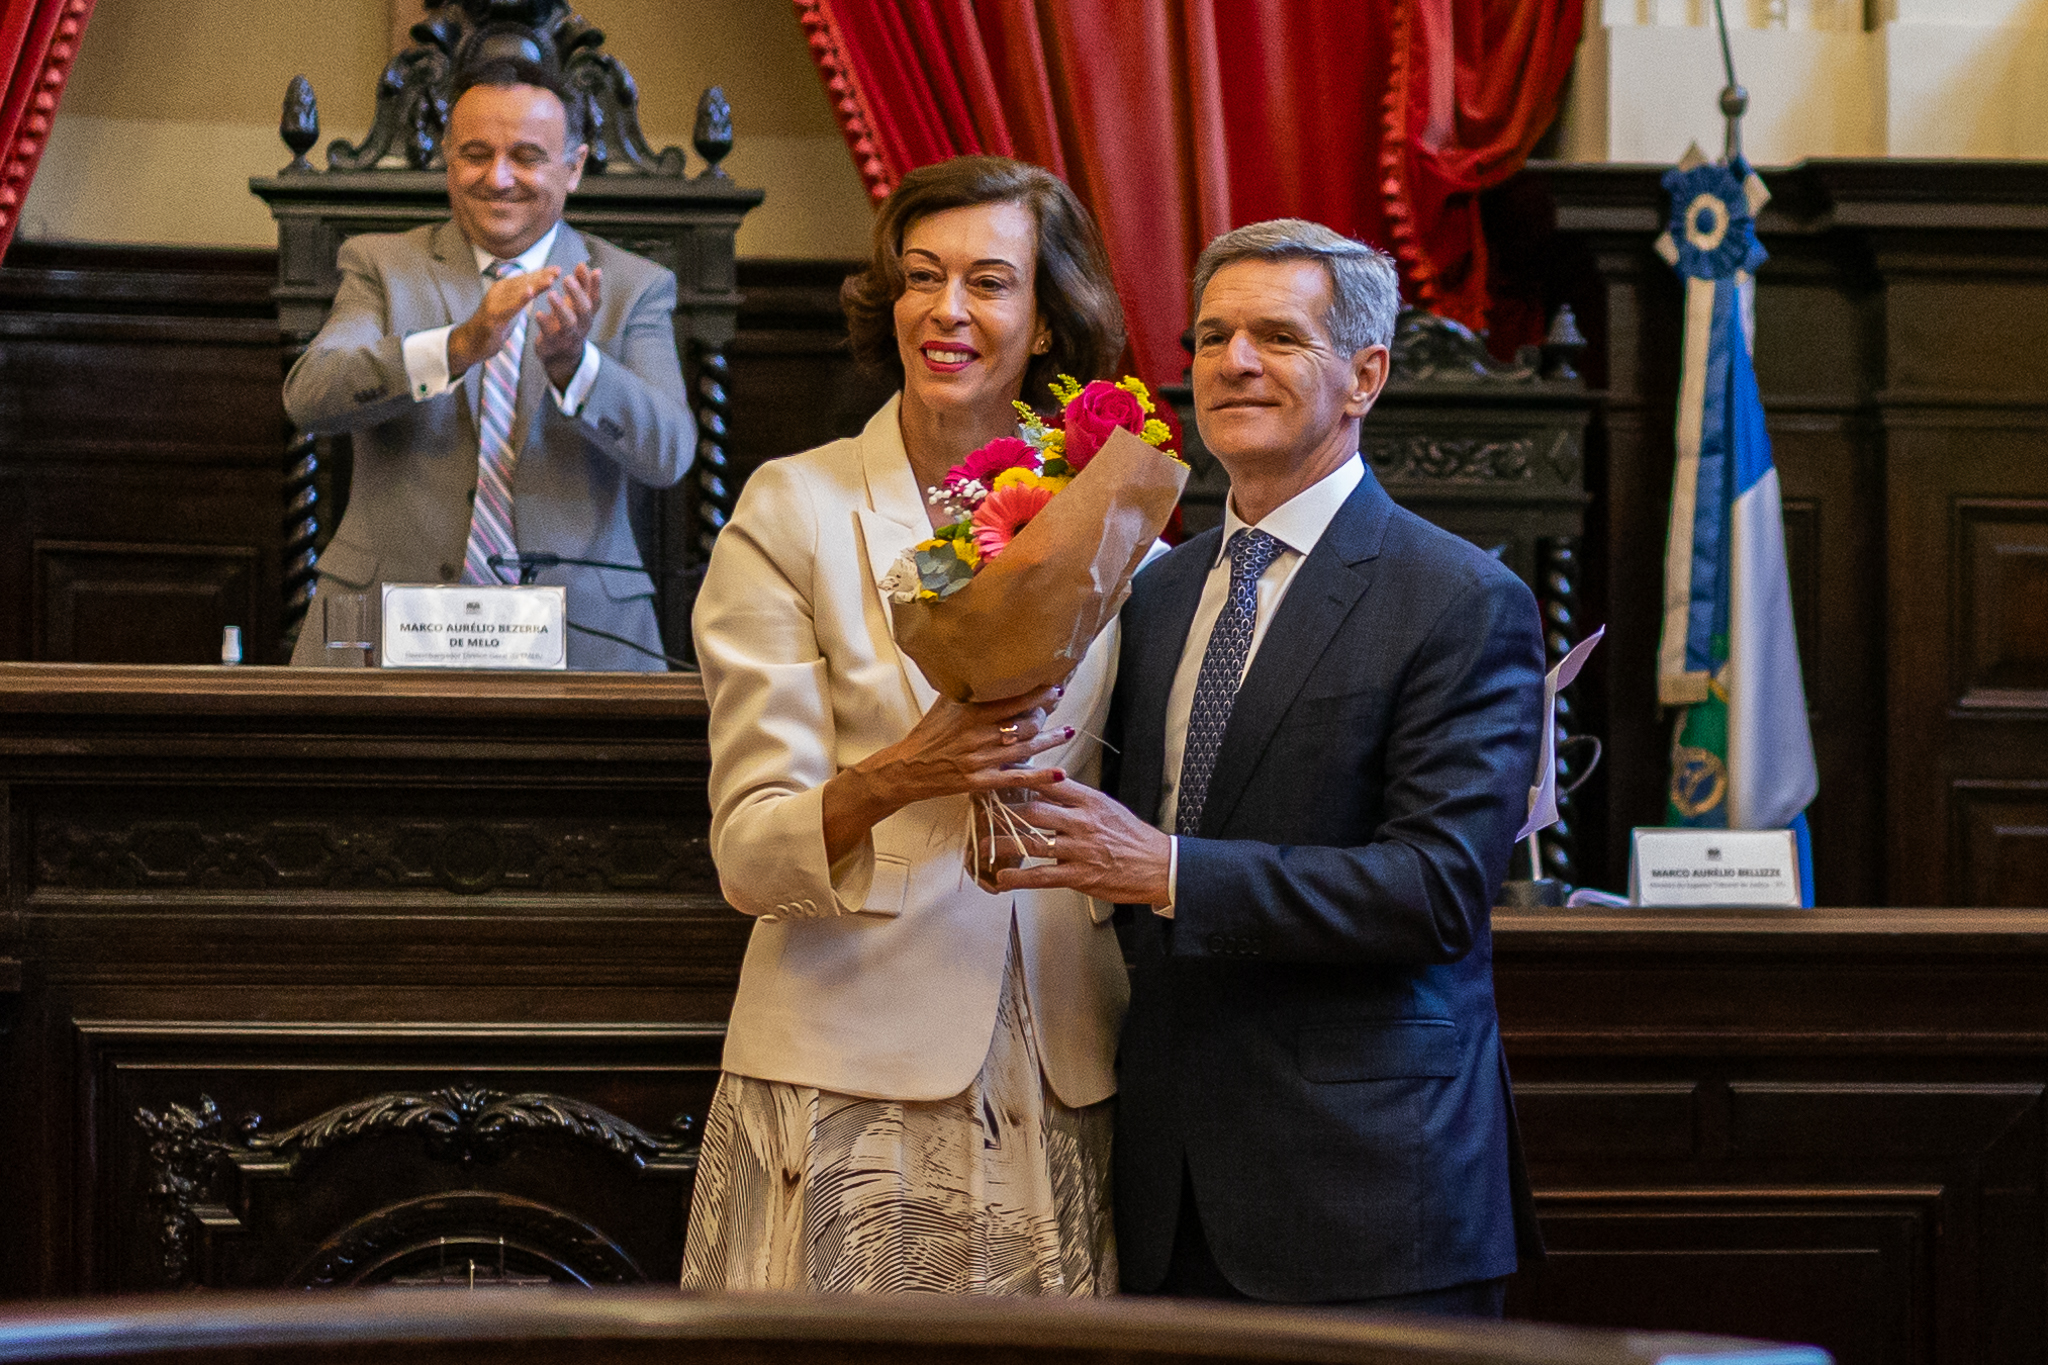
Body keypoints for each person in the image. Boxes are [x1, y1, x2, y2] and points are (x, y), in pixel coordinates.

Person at [996, 220, 1547, 1312]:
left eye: (1277, 337)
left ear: (1364, 375)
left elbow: (1435, 892)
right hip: (1165, 1186)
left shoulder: (1458, 599)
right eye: (1211, 337)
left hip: (1370, 1194)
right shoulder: (1150, 590)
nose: (1233, 363)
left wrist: (1168, 871)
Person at [680, 157, 1131, 1295]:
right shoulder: (795, 509)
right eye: (921, 278)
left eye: (989, 281)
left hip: (1064, 1059)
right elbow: (748, 850)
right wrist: (901, 772)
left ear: (1043, 320)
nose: (947, 310)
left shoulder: (1115, 514)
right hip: (848, 1065)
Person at [284, 52, 694, 672]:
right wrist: (457, 347)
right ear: (448, 161)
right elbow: (310, 397)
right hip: (382, 633)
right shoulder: (379, 264)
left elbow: (668, 455)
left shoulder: (635, 286)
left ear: (574, 167)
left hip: (588, 643)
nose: (498, 178)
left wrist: (574, 368)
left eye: (527, 157)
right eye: (476, 154)